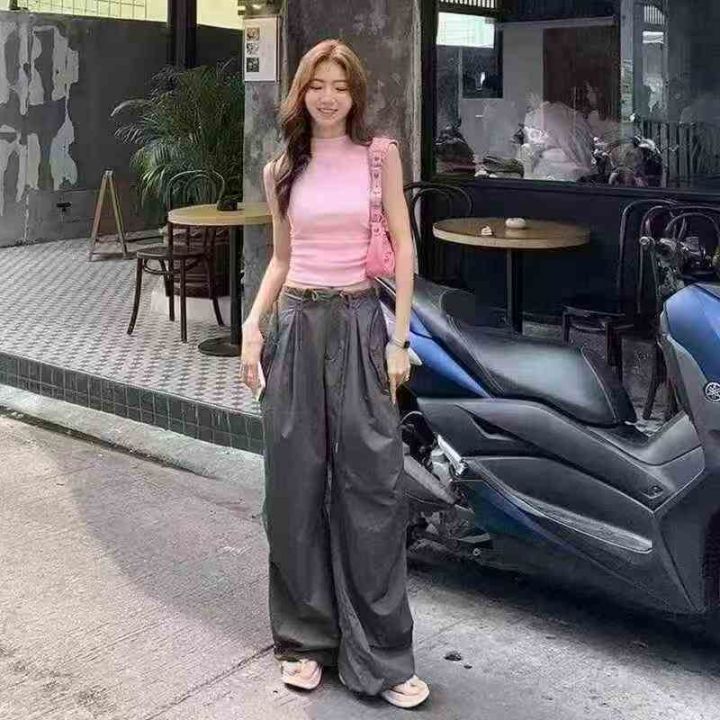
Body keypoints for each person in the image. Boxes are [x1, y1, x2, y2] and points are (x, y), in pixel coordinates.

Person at [239, 39, 429, 709]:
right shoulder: (281, 169)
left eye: (340, 86)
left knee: (372, 488)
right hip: (295, 326)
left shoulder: (379, 157)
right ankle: (305, 640)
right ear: (300, 91)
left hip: (359, 323)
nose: (328, 97)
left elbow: (404, 245)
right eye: (316, 85)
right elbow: (281, 258)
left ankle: (382, 656)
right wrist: (252, 325)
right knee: (292, 490)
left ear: (355, 95)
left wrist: (399, 339)